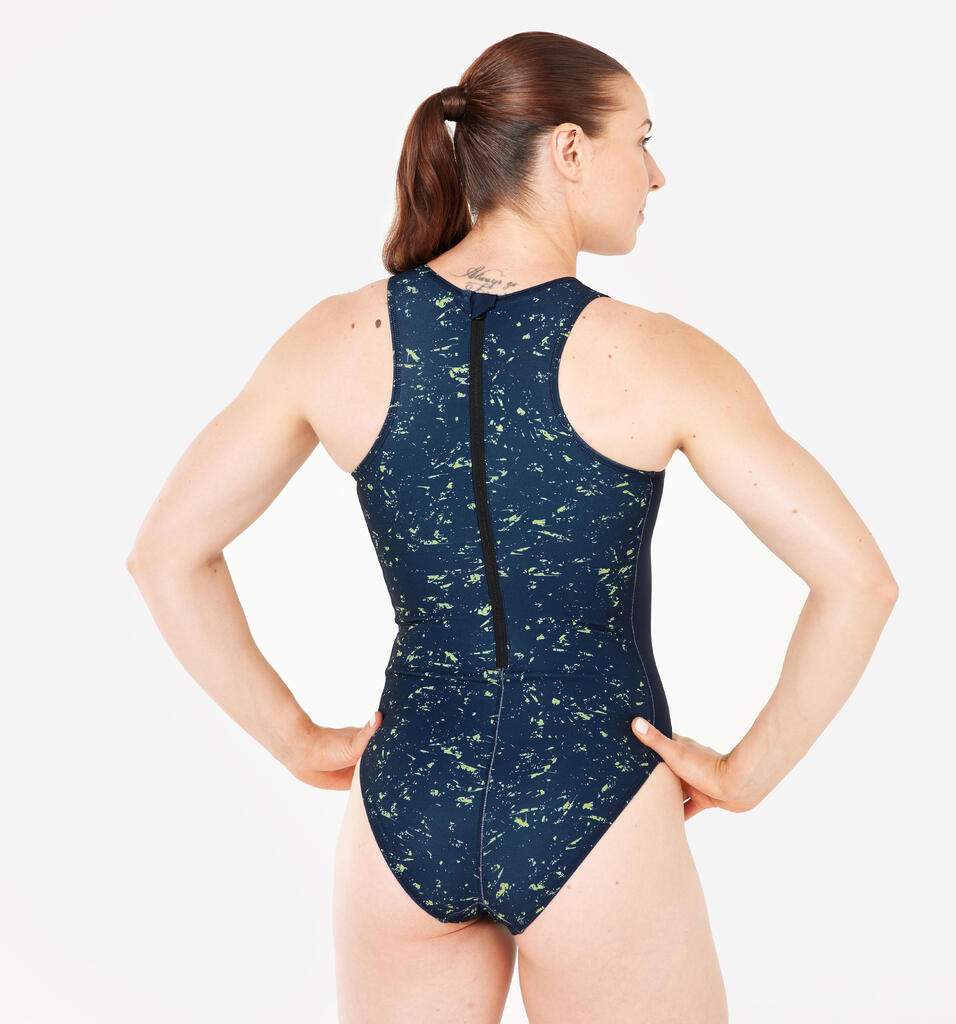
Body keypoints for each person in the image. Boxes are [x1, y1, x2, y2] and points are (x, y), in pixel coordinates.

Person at [127, 29, 898, 1024]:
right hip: (595, 803)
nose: (656, 174)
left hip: (403, 805)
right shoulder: (658, 356)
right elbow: (858, 581)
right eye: (642, 139)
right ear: (570, 148)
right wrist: (748, 773)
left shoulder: (334, 337)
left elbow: (165, 553)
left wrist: (292, 737)